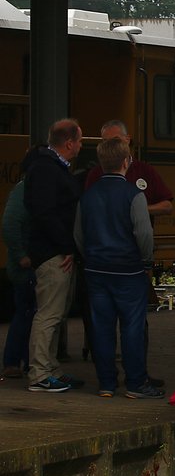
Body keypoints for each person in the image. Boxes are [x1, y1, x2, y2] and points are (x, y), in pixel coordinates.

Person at [84, 119, 171, 387]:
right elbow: (144, 234)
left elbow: (80, 230)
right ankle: (136, 382)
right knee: (133, 325)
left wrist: (90, 254)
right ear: (124, 161)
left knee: (102, 326)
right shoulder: (134, 194)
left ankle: (107, 383)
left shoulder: (90, 191)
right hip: (129, 267)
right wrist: (145, 260)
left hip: (97, 267)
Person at [24, 119, 85, 393]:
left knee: (55, 313)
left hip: (54, 250)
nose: (82, 146)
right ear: (69, 143)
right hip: (52, 254)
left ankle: (49, 368)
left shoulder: (47, 167)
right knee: (48, 314)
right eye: (80, 141)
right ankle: (39, 372)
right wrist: (66, 246)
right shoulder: (47, 170)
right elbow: (45, 212)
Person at [2, 154, 35, 379]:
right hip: (25, 265)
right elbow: (10, 222)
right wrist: (21, 255)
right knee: (25, 312)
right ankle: (13, 361)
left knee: (27, 312)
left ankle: (21, 360)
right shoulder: (24, 190)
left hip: (26, 262)